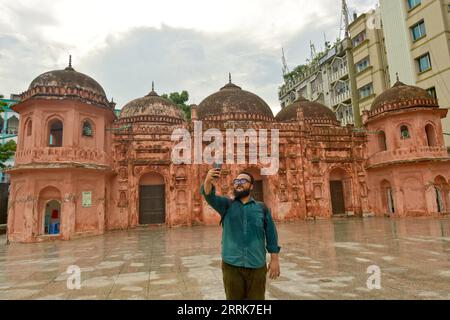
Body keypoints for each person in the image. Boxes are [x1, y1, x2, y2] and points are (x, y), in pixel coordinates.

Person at [201, 168, 281, 300]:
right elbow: (209, 196)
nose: (239, 183)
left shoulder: (261, 208)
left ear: (251, 186)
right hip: (232, 264)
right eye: (236, 181)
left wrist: (274, 259)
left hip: (256, 264)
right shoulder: (226, 205)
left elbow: (271, 234)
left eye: (243, 180)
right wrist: (208, 180)